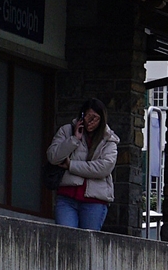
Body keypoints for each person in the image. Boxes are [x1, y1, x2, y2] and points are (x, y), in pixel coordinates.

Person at [47, 97, 119, 231]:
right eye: (88, 116)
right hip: (67, 197)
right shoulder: (66, 131)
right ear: (82, 115)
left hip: (94, 201)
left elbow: (103, 168)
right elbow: (53, 157)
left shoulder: (109, 140)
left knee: (87, 242)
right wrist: (74, 139)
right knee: (65, 237)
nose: (90, 122)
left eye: (95, 118)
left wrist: (71, 165)